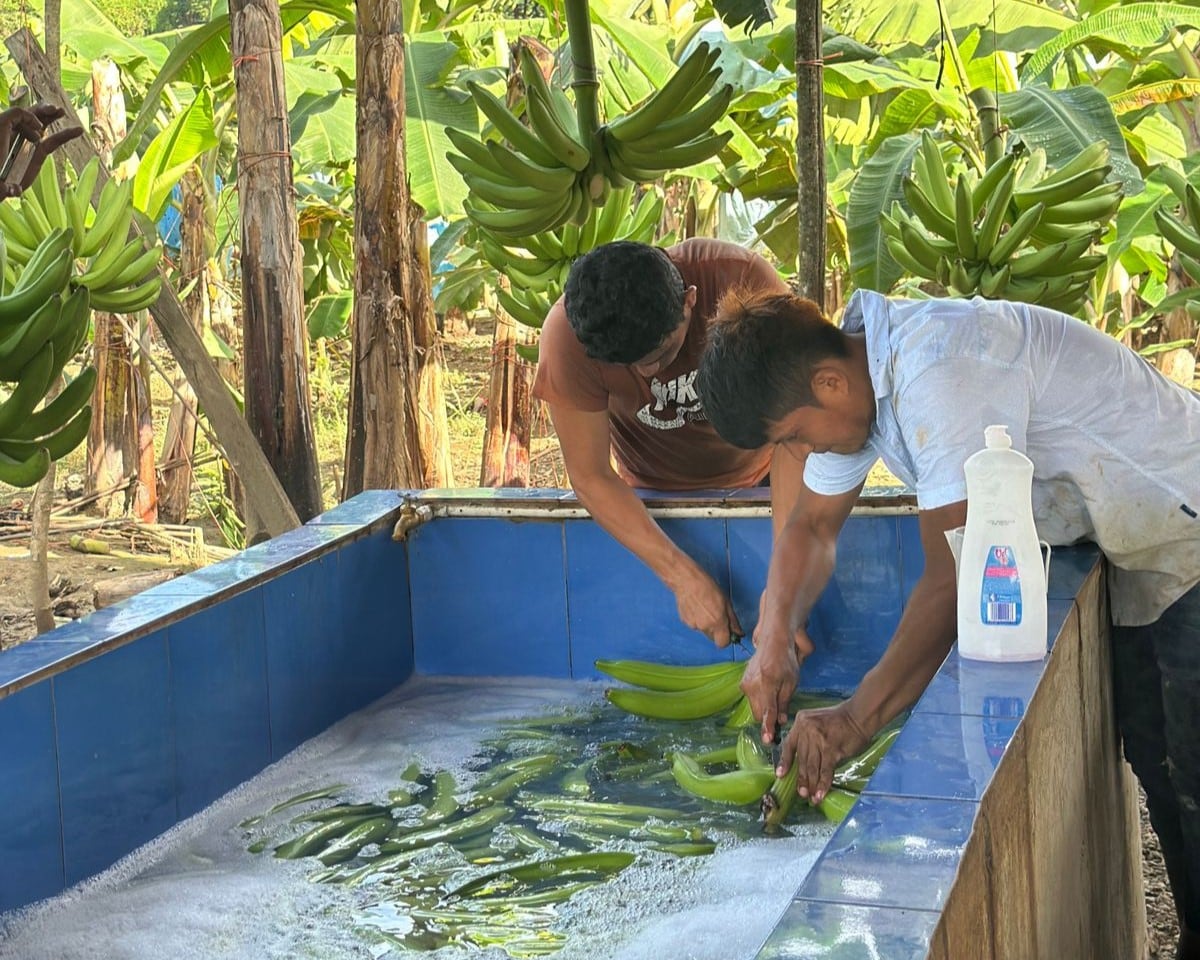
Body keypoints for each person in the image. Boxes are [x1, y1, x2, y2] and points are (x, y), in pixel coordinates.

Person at [695, 285, 1200, 958]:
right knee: (1155, 752)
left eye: (793, 435)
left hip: (1186, 518)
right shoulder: (858, 375)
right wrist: (773, 634)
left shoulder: (940, 370)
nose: (804, 450)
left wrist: (857, 719)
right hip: (1143, 545)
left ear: (828, 384)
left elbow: (956, 574)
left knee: (1194, 761)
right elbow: (811, 526)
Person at [532, 239, 805, 647]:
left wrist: (787, 586)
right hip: (649, 497)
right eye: (628, 365)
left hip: (765, 480)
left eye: (660, 355)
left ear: (689, 301)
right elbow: (590, 475)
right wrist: (681, 578)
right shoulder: (568, 335)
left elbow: (796, 431)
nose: (647, 373)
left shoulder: (743, 282)